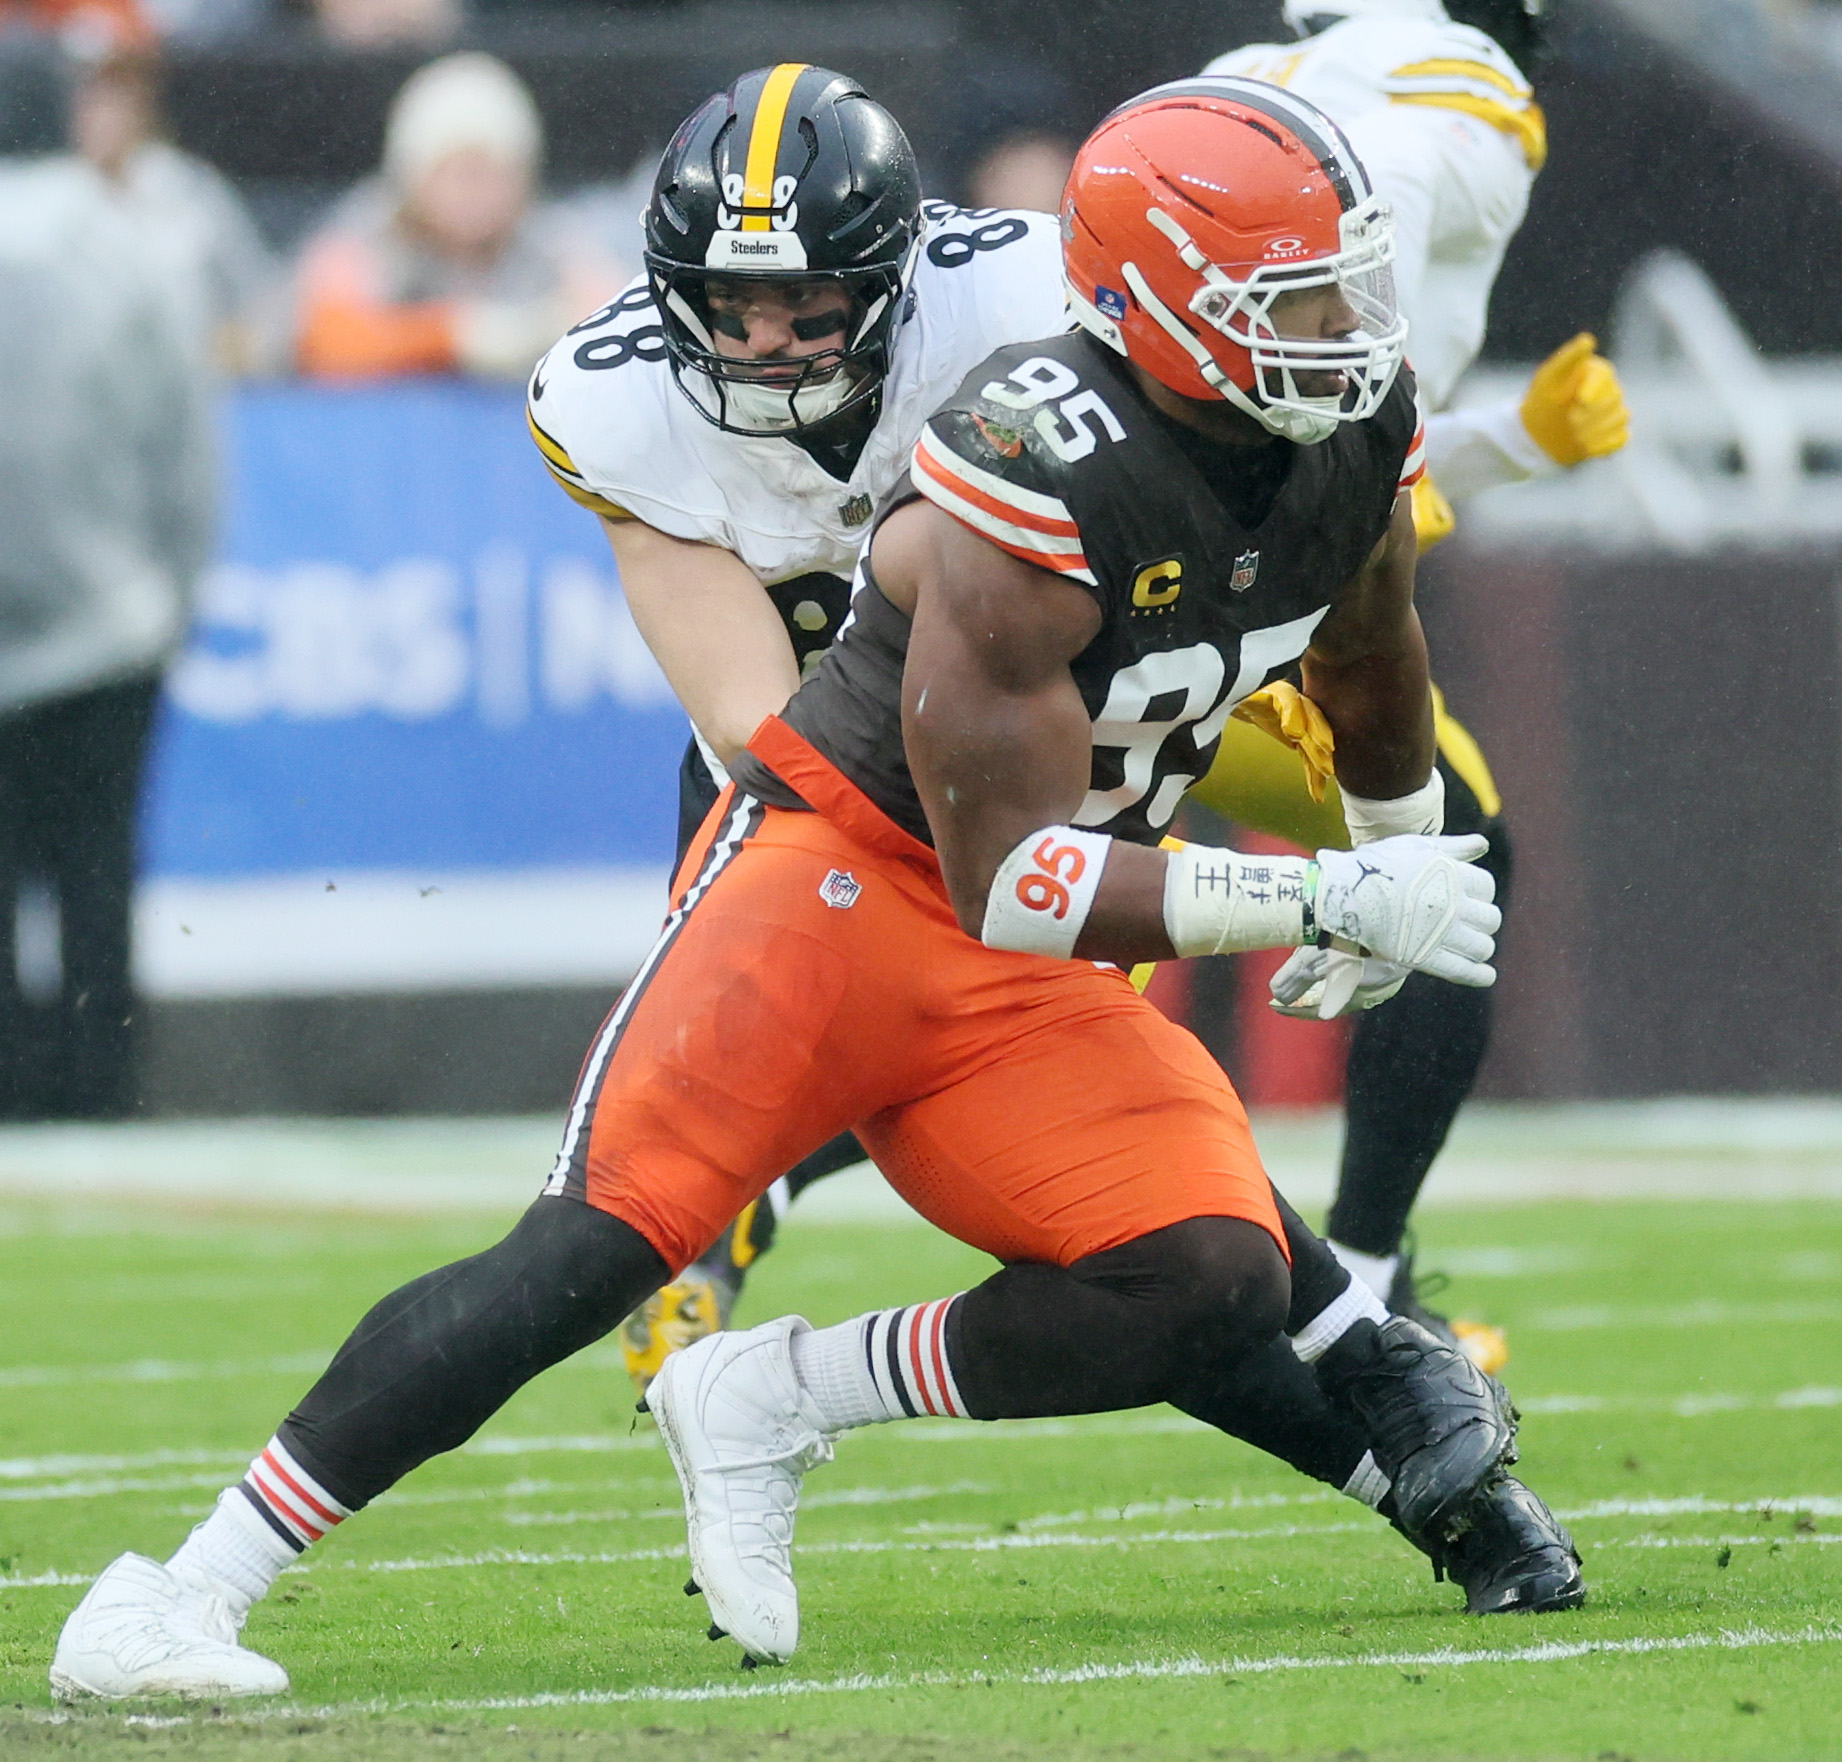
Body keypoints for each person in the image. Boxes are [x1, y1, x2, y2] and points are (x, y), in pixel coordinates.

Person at [49, 70, 1582, 1704]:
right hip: (853, 856)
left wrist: (1397, 830)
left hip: (1046, 848)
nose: (1347, 329)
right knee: (598, 1244)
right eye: (1296, 295)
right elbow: (963, 843)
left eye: (1340, 287)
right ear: (1157, 303)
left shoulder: (1300, 411)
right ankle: (174, 1594)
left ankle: (781, 1390)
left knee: (1204, 1268)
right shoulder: (1015, 468)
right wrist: (1315, 901)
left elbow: (1365, 631)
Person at [1193, 0, 1630, 1355]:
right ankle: (1362, 1286)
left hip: (1132, 569)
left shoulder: (1230, 83)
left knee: (1012, 936)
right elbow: (1323, 394)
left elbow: (1298, 408)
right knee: (1454, 864)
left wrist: (1499, 442)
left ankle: (731, 1213)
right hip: (1205, 604)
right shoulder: (1456, 92)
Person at [0, 33, 213, 1121]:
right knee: (97, 879)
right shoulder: (131, 247)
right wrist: (170, 595)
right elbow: (184, 447)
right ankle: (100, 1094)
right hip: (109, 626)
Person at [293, 50, 619, 381]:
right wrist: (452, 335)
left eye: (491, 173)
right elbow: (327, 342)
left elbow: (619, 328)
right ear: (412, 176)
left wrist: (543, 331)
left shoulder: (548, 238)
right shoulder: (371, 231)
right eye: (457, 173)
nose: (474, 193)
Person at [69, 40, 280, 372]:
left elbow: (262, 302)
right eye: (88, 98)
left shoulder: (190, 191)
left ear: (141, 104)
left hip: (187, 377)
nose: (98, 114)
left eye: (114, 96)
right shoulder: (50, 203)